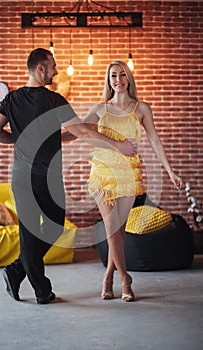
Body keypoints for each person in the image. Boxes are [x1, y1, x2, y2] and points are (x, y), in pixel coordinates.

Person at [0, 49, 137, 304]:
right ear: (41, 69)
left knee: (34, 232)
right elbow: (81, 131)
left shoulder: (11, 100)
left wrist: (19, 139)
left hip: (21, 177)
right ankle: (42, 292)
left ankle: (17, 270)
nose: (56, 72)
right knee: (48, 230)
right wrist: (118, 144)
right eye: (53, 66)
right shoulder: (54, 100)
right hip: (46, 178)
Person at [68, 60, 183, 302]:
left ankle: (109, 275)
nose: (118, 80)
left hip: (129, 174)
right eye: (113, 76)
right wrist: (49, 133)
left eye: (122, 75)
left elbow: (154, 140)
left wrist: (170, 172)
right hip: (102, 172)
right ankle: (125, 280)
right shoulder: (100, 108)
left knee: (118, 231)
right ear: (108, 81)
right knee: (111, 228)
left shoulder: (141, 108)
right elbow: (77, 131)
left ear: (128, 78)